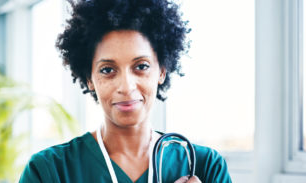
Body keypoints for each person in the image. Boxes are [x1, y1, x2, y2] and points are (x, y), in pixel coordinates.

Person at [19, 0, 232, 182]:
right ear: (89, 79)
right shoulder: (49, 171)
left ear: (162, 71)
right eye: (108, 70)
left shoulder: (206, 167)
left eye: (141, 66)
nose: (126, 86)